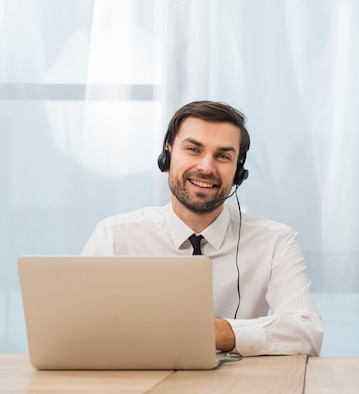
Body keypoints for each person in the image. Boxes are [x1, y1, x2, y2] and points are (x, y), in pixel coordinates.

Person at [81, 100, 323, 357]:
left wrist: (214, 332)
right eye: (194, 149)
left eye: (222, 156)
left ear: (238, 171)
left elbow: (306, 333)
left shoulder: (275, 241)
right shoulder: (114, 237)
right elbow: (76, 329)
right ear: (167, 155)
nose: (206, 168)